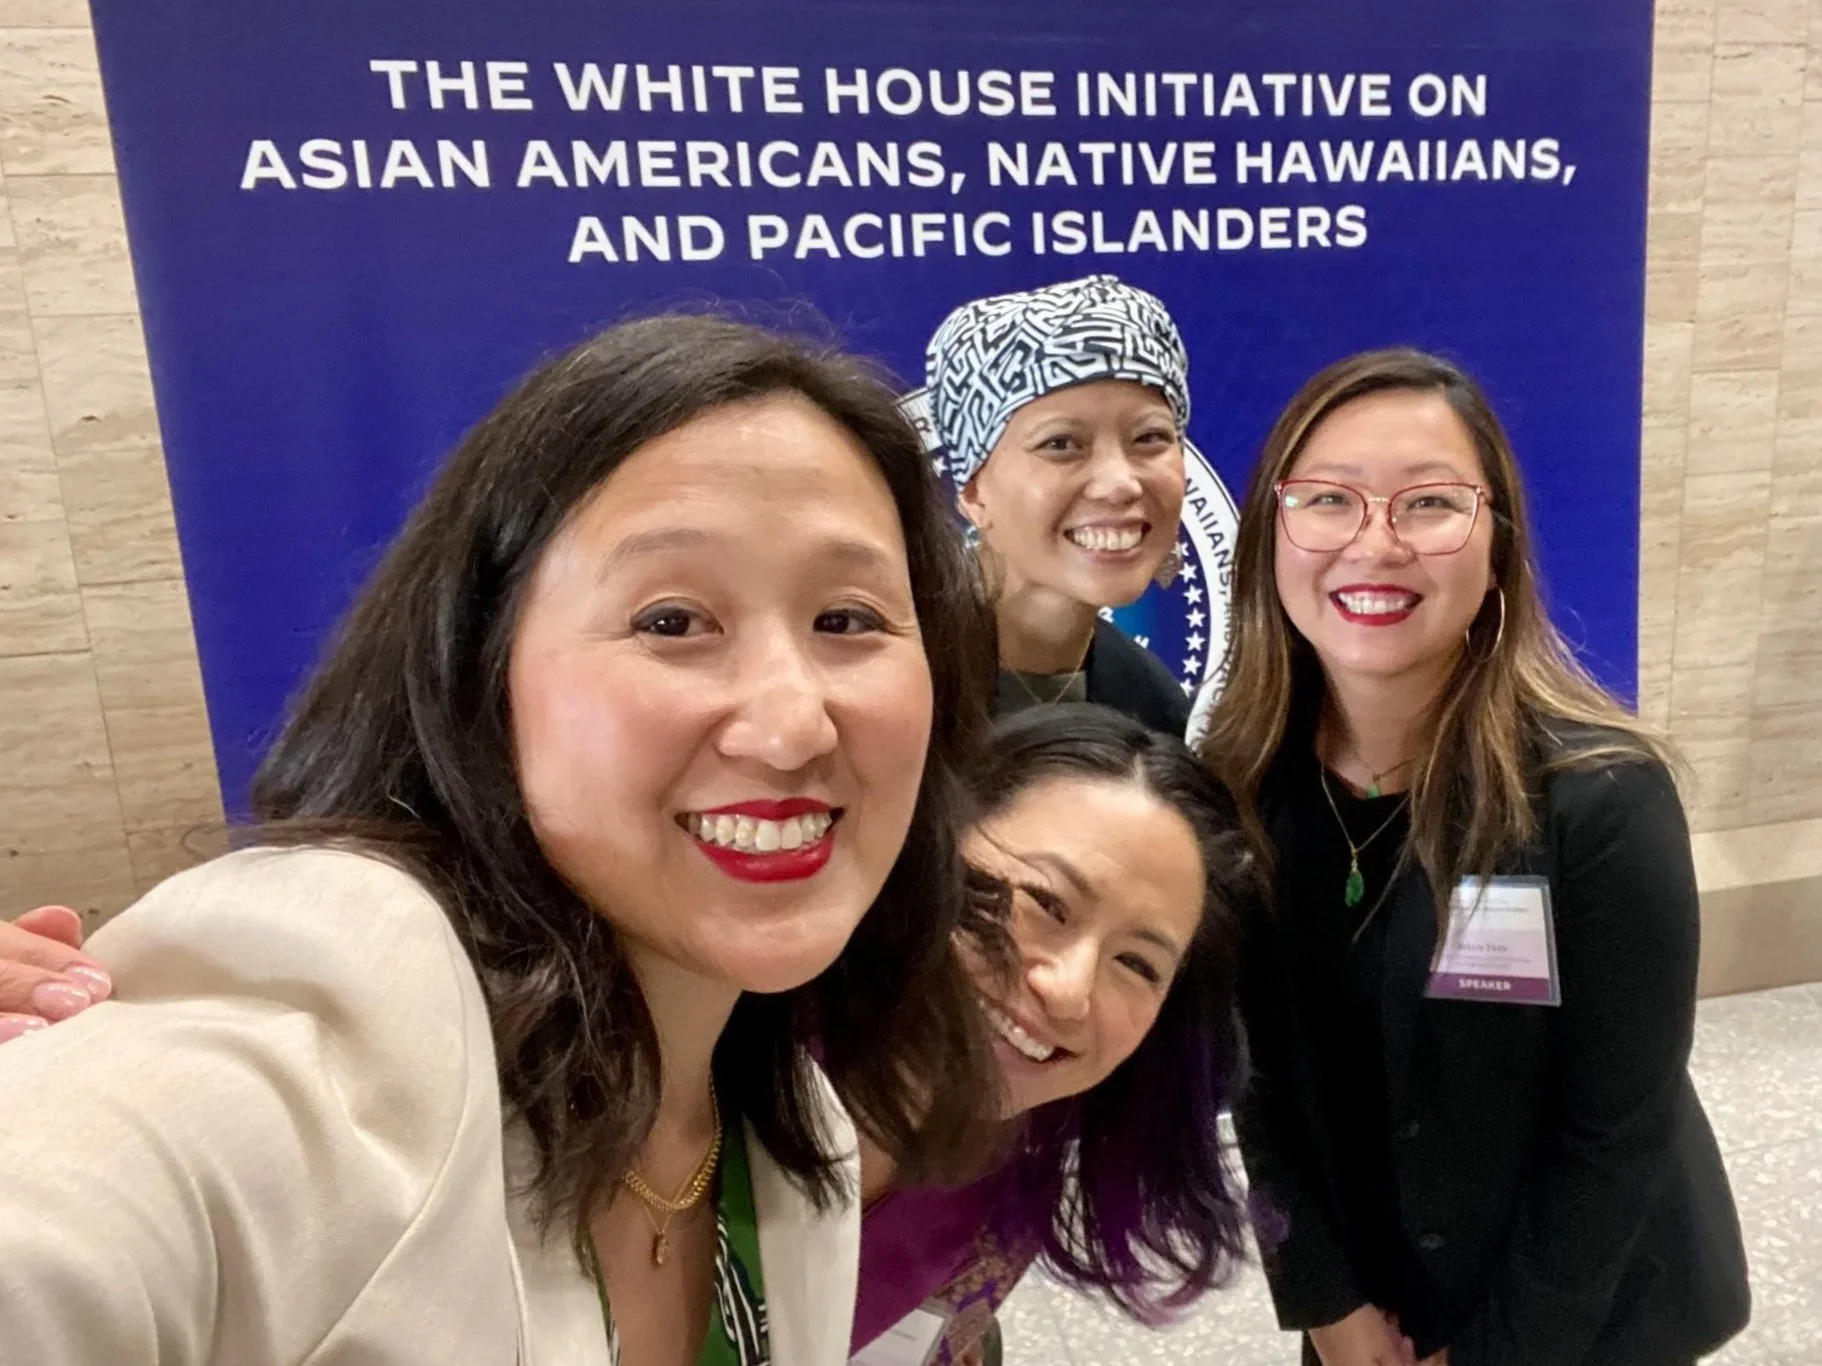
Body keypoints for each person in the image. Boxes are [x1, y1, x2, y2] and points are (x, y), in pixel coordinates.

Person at [0, 314, 1010, 1365]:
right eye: (672, 621)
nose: (794, 721)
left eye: (848, 621)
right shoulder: (340, 992)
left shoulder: (790, 1131)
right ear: (482, 670)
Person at [1199, 347, 1751, 1366]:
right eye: (1327, 499)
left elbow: (1613, 1134)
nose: (1374, 543)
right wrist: (1326, 1299)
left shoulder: (1600, 798)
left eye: (1428, 504)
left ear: (1495, 542)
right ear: (1272, 535)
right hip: (1374, 1308)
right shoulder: (1237, 789)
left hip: (1580, 1309)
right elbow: (1258, 1083)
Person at [852, 704, 1254, 1364]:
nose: (1068, 993)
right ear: (929, 848)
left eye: (1136, 964)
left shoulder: (1017, 1164)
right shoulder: (710, 1072)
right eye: (1046, 903)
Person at [924, 274, 1195, 734]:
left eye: (1150, 438)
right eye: (1061, 444)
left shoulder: (1151, 705)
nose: (1120, 483)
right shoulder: (899, 683)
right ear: (973, 491)